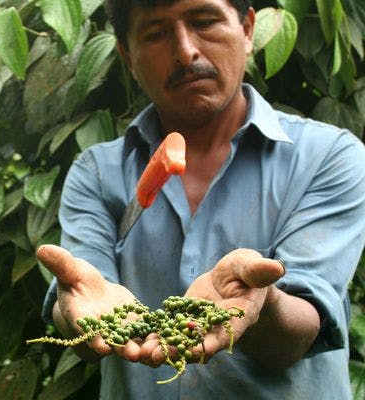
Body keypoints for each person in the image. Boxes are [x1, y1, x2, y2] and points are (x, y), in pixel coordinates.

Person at [38, 0, 365, 398]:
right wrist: (77, 310)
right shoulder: (96, 172)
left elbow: (299, 329)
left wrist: (260, 304)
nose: (185, 51)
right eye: (156, 33)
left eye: (204, 21)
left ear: (247, 29)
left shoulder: (328, 157)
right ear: (127, 55)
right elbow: (83, 292)